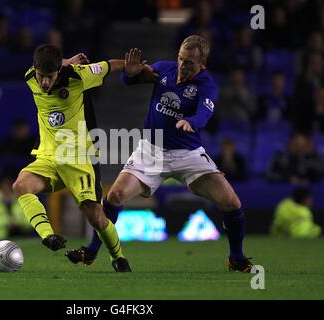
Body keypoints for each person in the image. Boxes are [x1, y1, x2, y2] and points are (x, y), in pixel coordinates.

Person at [67, 35, 255, 272]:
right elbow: (129, 80)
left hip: (188, 154)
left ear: (202, 64)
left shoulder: (207, 86)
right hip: (151, 150)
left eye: (189, 63)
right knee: (114, 196)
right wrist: (131, 73)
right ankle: (91, 251)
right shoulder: (164, 69)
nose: (182, 66)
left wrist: (191, 121)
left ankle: (236, 259)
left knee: (232, 202)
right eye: (181, 59)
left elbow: (204, 114)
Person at [12, 44, 132, 272]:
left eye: (49, 77)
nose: (44, 82)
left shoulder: (79, 77)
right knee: (21, 185)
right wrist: (66, 60)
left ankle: (118, 257)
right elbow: (50, 65)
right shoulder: (30, 77)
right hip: (48, 157)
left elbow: (108, 66)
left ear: (59, 71)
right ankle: (48, 236)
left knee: (96, 217)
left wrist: (129, 67)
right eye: (41, 76)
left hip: (78, 158)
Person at [0, 176, 30, 242]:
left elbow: (29, 219)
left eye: (9, 186)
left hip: (20, 236)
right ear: (0, 187)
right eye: (5, 186)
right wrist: (8, 223)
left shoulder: (19, 200)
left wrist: (19, 223)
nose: (7, 188)